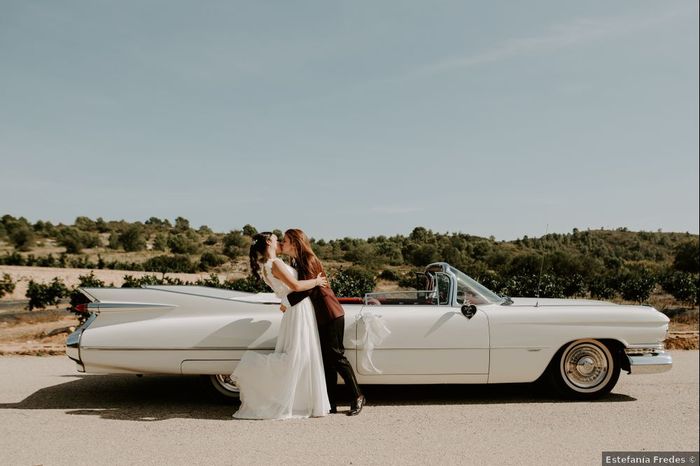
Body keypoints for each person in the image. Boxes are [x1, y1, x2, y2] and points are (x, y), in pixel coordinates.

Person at [231, 232, 331, 420]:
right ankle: (295, 399)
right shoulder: (275, 263)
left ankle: (298, 401)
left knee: (299, 354)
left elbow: (284, 291)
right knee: (299, 355)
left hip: (294, 310)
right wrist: (317, 281)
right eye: (278, 240)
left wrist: (285, 301)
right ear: (269, 242)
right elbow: (296, 286)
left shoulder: (266, 266)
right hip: (299, 310)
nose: (282, 243)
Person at [281, 229, 365, 416]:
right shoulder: (296, 261)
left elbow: (308, 289)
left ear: (295, 242)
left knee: (336, 356)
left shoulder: (308, 260)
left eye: (285, 240)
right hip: (319, 315)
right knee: (326, 360)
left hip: (330, 313)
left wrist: (286, 303)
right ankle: (330, 402)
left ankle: (357, 396)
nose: (282, 243)